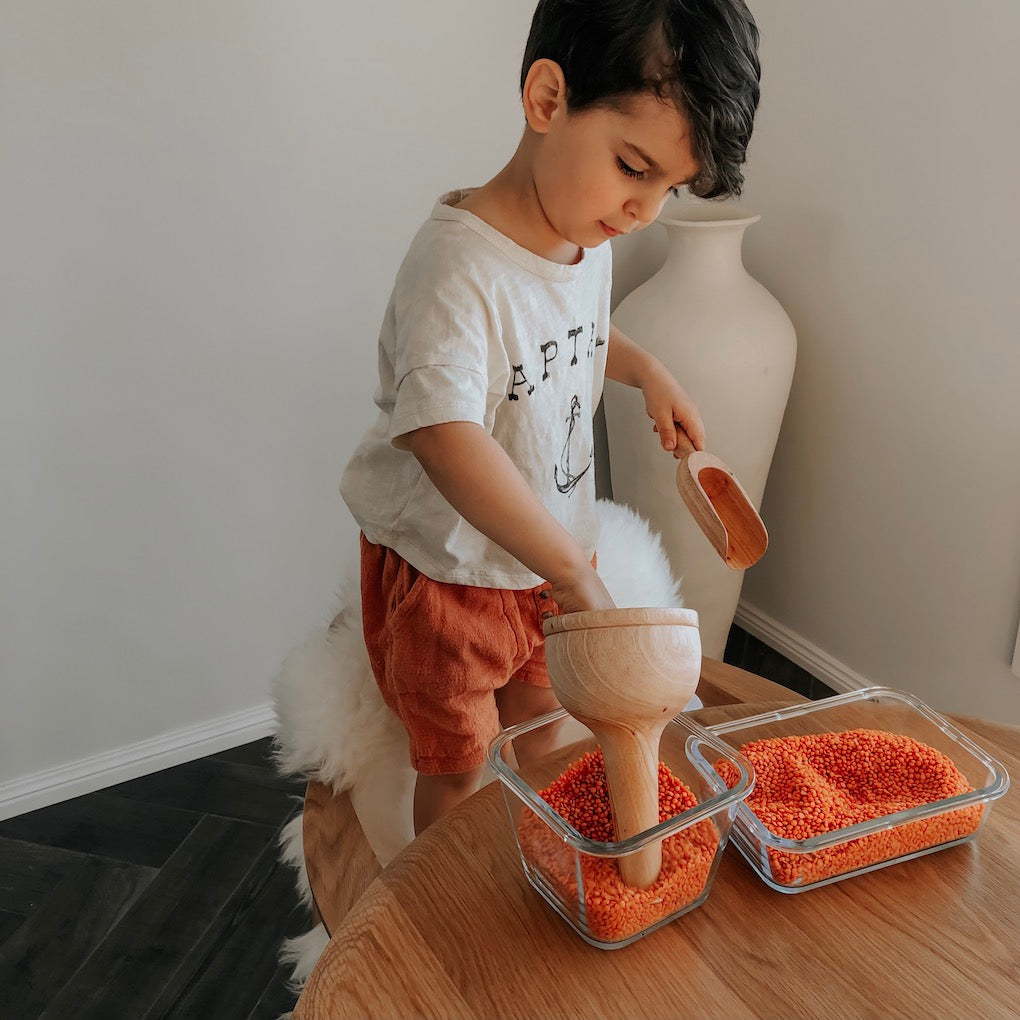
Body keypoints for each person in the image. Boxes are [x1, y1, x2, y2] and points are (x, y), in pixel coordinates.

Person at [340, 0, 761, 834]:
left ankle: (535, 854)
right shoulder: (456, 268)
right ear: (546, 98)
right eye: (634, 167)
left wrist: (647, 371)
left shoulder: (585, 236)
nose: (646, 211)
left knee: (544, 728)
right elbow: (440, 431)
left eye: (669, 188)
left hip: (547, 563)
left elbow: (578, 328)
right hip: (448, 578)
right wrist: (572, 569)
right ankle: (450, 908)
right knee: (457, 762)